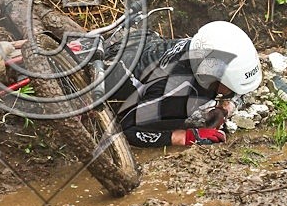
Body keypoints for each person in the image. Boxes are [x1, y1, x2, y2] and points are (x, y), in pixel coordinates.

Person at [105, 21, 262, 148]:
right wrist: (184, 137)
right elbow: (127, 130)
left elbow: (238, 89)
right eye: (230, 88)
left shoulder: (199, 49)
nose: (233, 92)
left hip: (143, 45)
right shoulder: (176, 92)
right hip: (117, 65)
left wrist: (223, 107)